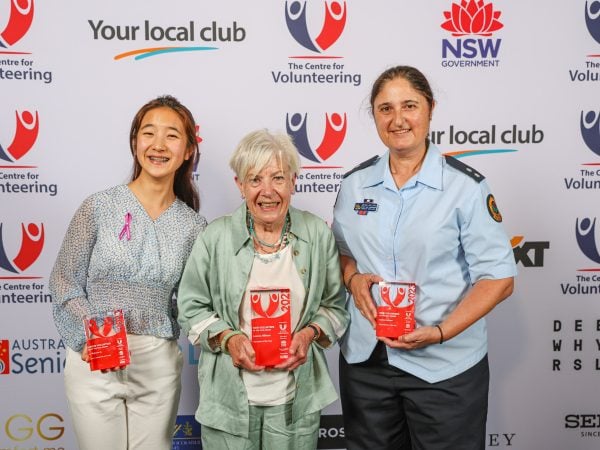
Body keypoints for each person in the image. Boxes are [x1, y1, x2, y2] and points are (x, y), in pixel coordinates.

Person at [331, 65, 517, 450]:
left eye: (409, 106)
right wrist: (351, 278)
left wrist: (441, 332)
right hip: (368, 363)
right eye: (385, 109)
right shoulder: (354, 185)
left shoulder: (466, 187)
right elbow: (342, 252)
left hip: (444, 365)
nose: (398, 119)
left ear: (430, 108)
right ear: (375, 117)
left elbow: (499, 278)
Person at [50, 95, 207, 450]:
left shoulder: (194, 226)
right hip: (95, 356)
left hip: (157, 363)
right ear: (135, 142)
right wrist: (94, 331)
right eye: (148, 133)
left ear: (187, 151)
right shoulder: (98, 206)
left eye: (171, 136)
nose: (158, 144)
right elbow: (64, 279)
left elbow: (194, 300)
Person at [177, 129, 349, 449]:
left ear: (294, 181)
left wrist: (309, 334)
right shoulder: (215, 238)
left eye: (278, 178)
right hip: (227, 404)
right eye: (255, 179)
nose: (267, 191)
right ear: (240, 186)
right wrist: (229, 339)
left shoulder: (317, 234)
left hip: (295, 404)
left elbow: (336, 307)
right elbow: (189, 307)